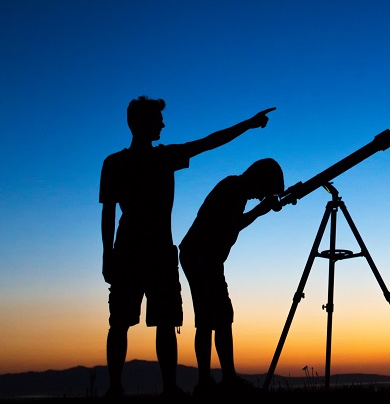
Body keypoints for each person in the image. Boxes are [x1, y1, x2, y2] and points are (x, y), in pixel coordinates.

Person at [99, 95, 275, 398]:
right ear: (142, 122)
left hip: (143, 251)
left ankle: (149, 389)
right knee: (133, 324)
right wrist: (108, 255)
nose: (163, 124)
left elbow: (210, 142)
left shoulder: (120, 162)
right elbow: (210, 142)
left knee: (143, 324)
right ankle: (134, 388)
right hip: (144, 253)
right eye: (158, 119)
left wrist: (108, 254)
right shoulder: (147, 159)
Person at [178, 158, 284, 398]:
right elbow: (231, 224)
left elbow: (231, 224)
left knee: (218, 317)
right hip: (200, 256)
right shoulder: (232, 189)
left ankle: (219, 380)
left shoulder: (237, 191)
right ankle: (212, 381)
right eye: (264, 189)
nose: (261, 196)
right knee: (210, 318)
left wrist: (260, 208)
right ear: (258, 179)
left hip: (206, 257)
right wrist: (260, 211)